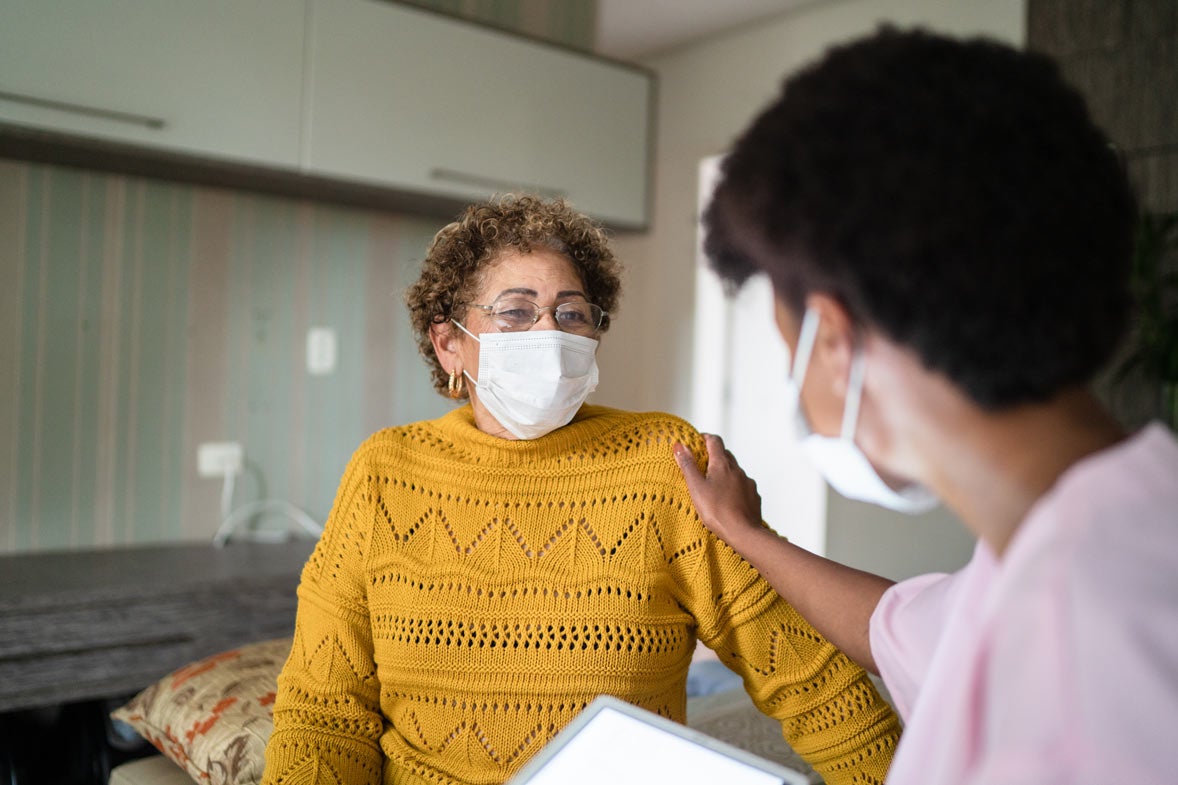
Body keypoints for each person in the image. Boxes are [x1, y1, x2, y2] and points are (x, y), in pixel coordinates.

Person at [673, 26, 1178, 785]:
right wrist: (743, 532)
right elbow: (905, 630)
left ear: (835, 343)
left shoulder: (1081, 660)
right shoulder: (1080, 539)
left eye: (789, 350)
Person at [261, 195, 900, 785]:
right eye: (515, 311)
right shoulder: (384, 471)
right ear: (450, 341)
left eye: (571, 314)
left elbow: (806, 676)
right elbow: (323, 713)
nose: (549, 333)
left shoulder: (661, 461)